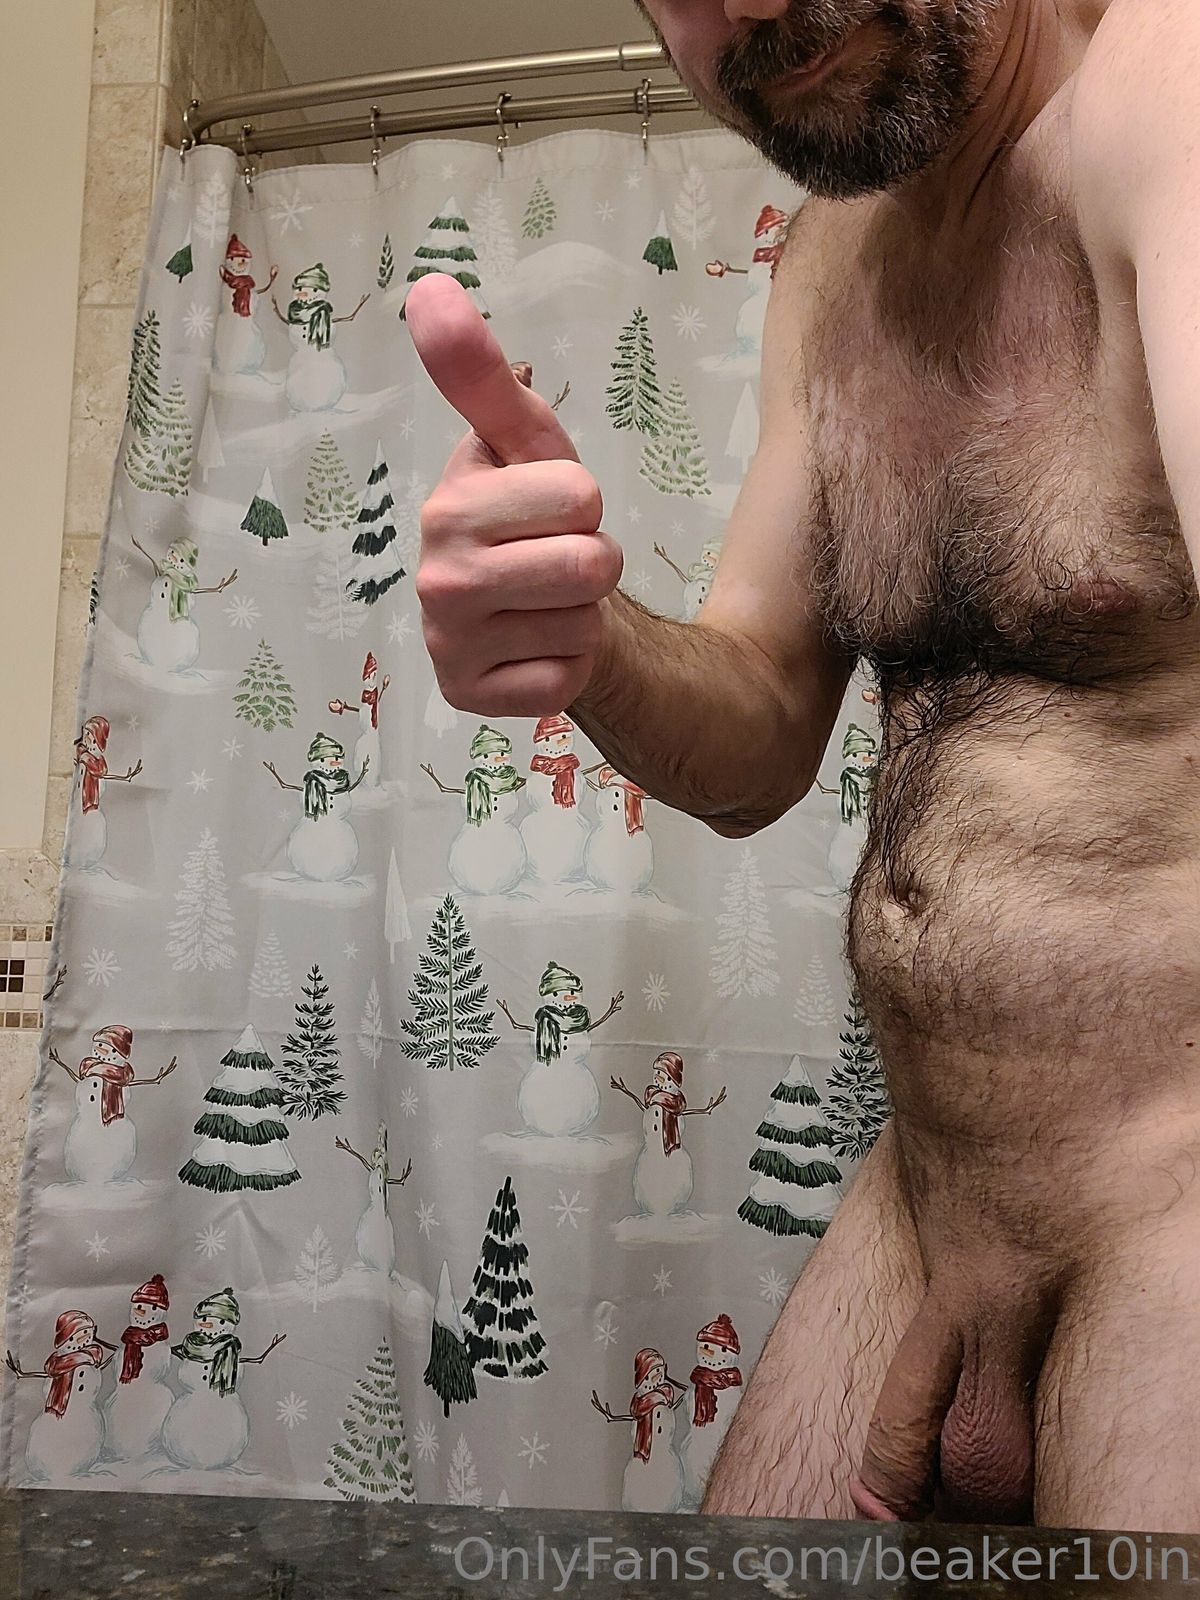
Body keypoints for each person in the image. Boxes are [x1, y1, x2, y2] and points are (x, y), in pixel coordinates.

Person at [405, 0, 1200, 1534]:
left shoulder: (1168, 85)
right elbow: (763, 721)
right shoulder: (832, 268)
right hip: (927, 1206)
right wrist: (587, 639)